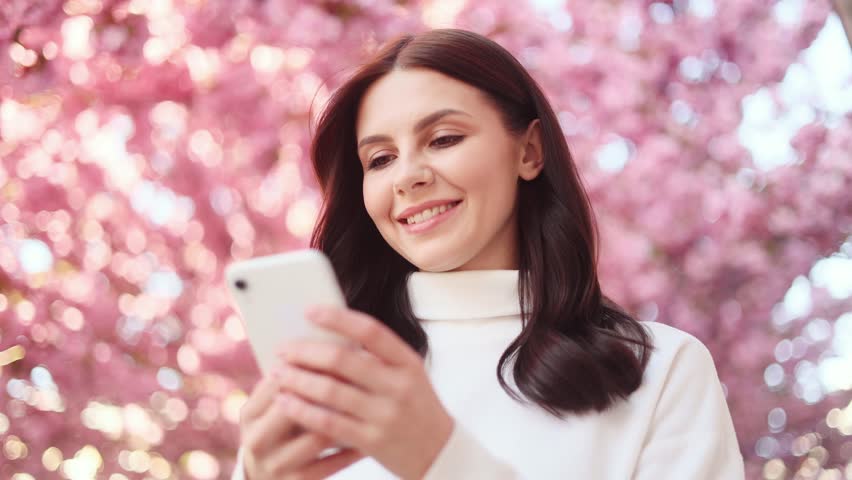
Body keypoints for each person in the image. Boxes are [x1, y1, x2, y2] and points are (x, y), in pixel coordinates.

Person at [231, 28, 745, 479]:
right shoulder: (333, 380)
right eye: (381, 158)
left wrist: (442, 460)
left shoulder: (659, 372)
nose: (408, 176)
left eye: (444, 138)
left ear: (529, 151)